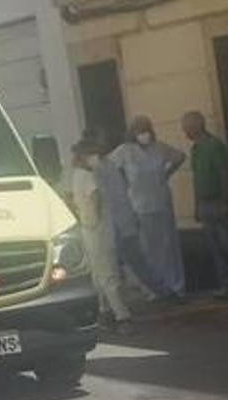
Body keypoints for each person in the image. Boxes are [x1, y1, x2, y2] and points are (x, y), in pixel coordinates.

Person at [109, 116, 187, 298]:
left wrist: (167, 174)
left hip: (162, 203)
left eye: (147, 130)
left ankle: (175, 285)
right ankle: (154, 288)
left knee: (168, 247)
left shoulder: (159, 148)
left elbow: (180, 156)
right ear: (133, 133)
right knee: (147, 249)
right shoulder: (125, 151)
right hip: (140, 207)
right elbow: (110, 168)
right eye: (140, 131)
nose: (145, 135)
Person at [183, 111, 228, 301]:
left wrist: (225, 201)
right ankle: (225, 285)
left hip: (217, 201)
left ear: (196, 126)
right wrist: (196, 205)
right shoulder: (195, 150)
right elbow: (196, 179)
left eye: (186, 127)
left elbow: (225, 175)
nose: (185, 132)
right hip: (205, 203)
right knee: (215, 248)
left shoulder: (215, 146)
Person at [72, 139, 134, 334]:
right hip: (98, 230)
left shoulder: (78, 175)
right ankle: (122, 316)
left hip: (90, 229)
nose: (96, 157)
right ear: (83, 156)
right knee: (108, 274)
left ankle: (104, 312)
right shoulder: (87, 176)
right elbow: (94, 199)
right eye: (92, 154)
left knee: (99, 275)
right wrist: (93, 222)